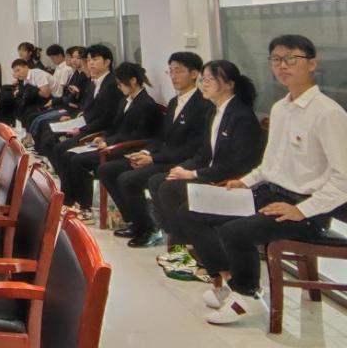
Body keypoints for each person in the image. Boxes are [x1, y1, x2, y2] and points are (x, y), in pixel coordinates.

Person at [184, 36, 347, 325]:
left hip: (308, 210)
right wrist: (245, 182)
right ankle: (231, 282)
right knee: (194, 211)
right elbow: (270, 165)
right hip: (271, 195)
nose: (282, 66)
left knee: (235, 232)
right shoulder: (280, 107)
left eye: (291, 59)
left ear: (312, 64)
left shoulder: (328, 113)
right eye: (276, 60)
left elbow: (343, 179)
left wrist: (302, 210)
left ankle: (247, 294)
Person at [147, 60, 264, 281]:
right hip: (212, 174)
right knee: (159, 181)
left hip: (232, 182)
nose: (204, 84)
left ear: (229, 84)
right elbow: (204, 154)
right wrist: (184, 168)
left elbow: (238, 165)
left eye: (210, 79)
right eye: (203, 79)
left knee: (170, 190)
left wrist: (194, 175)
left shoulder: (241, 116)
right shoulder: (214, 111)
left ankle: (201, 258)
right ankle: (183, 252)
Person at [97, 52, 209, 247]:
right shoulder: (174, 102)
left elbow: (193, 147)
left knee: (128, 179)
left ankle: (149, 229)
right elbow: (161, 137)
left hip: (181, 161)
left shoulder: (203, 105)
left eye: (178, 71)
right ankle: (135, 221)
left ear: (194, 74)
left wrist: (154, 159)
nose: (173, 76)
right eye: (170, 71)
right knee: (107, 169)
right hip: (161, 155)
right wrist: (146, 152)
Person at [55, 62, 164, 222]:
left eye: (120, 83)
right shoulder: (125, 101)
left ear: (133, 81)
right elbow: (114, 127)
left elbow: (138, 135)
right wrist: (103, 137)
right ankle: (71, 201)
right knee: (68, 154)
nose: (119, 87)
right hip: (113, 143)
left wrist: (109, 142)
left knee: (78, 161)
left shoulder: (146, 104)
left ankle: (86, 206)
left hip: (128, 148)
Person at [40, 44, 123, 167]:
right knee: (48, 133)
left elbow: (106, 118)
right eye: (88, 60)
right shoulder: (94, 82)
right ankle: (56, 172)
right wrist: (73, 120)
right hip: (85, 124)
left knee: (60, 149)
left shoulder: (112, 84)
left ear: (107, 62)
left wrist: (81, 129)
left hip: (98, 131)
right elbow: (87, 110)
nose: (90, 63)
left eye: (95, 59)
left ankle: (65, 177)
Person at [27, 46, 89, 143]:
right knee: (37, 117)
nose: (74, 60)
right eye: (72, 57)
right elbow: (68, 94)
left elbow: (77, 100)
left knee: (43, 121)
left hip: (71, 109)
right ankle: (31, 141)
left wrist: (73, 96)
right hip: (66, 104)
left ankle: (33, 142)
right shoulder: (76, 73)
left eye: (78, 58)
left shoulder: (84, 76)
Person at [10, 57, 61, 130]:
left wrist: (31, 89)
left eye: (18, 70)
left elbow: (46, 94)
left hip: (54, 99)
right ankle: (19, 129)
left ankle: (28, 133)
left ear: (26, 67)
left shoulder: (37, 74)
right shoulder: (25, 78)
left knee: (28, 110)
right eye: (15, 72)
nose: (17, 74)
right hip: (42, 98)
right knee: (18, 103)